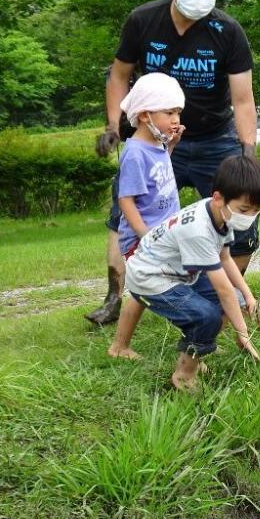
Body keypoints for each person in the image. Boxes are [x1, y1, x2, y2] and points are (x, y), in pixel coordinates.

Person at [86, 0, 258, 326]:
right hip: (156, 142)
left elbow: (243, 100)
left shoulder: (228, 32)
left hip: (215, 138)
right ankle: (116, 297)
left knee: (241, 221)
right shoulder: (143, 21)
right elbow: (118, 75)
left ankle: (218, 300)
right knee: (124, 217)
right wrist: (115, 125)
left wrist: (248, 151)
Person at [109, 155, 260, 390]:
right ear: (218, 198)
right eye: (244, 209)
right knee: (206, 317)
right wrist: (242, 332)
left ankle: (195, 352)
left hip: (176, 271)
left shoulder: (221, 214)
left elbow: (224, 257)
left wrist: (248, 296)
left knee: (232, 301)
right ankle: (184, 375)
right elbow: (223, 289)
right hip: (151, 277)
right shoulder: (199, 230)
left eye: (255, 211)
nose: (248, 217)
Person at [104, 72, 185, 359]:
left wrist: (171, 146)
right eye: (169, 112)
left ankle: (119, 345)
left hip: (161, 233)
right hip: (144, 238)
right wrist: (145, 236)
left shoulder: (156, 145)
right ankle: (194, 343)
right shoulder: (135, 152)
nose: (176, 119)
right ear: (145, 115)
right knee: (174, 286)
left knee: (140, 292)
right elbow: (126, 200)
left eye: (178, 112)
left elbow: (158, 176)